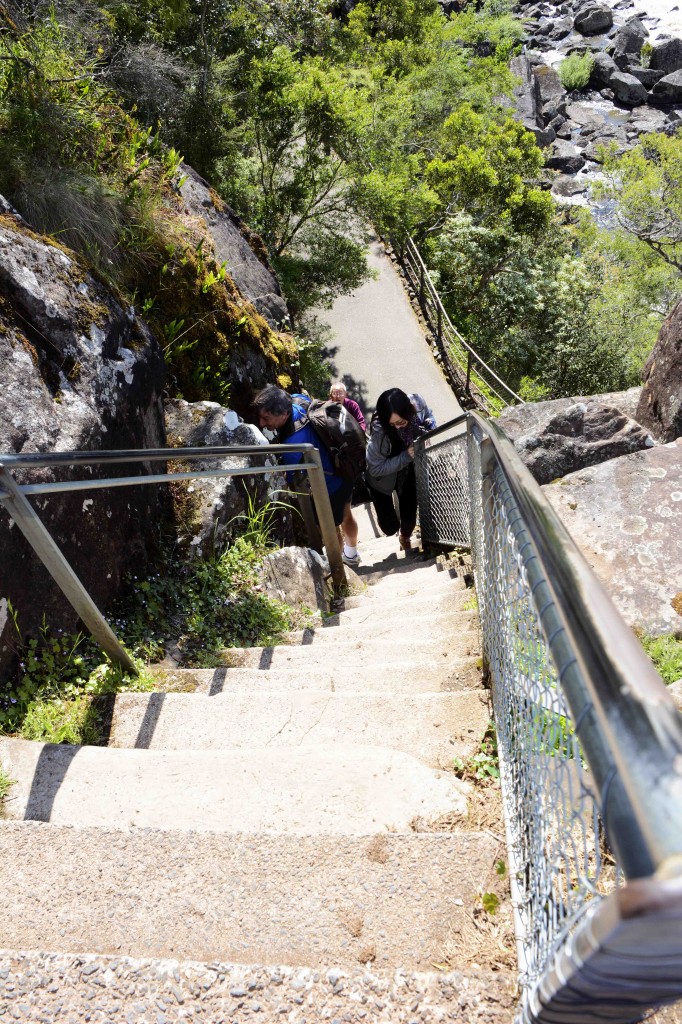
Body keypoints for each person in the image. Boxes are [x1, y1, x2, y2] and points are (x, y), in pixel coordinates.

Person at [251, 385, 359, 560]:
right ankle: (352, 554)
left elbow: (294, 483)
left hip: (330, 485)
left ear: (284, 415)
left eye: (266, 418)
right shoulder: (297, 400)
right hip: (344, 466)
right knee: (346, 514)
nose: (262, 423)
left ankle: (339, 571)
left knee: (327, 528)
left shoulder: (293, 443)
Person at [365, 388, 436, 552]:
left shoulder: (417, 404)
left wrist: (426, 433)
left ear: (408, 412)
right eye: (392, 424)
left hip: (406, 472)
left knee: (409, 519)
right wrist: (406, 456)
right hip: (381, 479)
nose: (397, 428)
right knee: (389, 527)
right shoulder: (379, 430)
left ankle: (404, 538)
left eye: (401, 422)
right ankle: (394, 527)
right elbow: (375, 468)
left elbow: (429, 416)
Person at [328, 381, 366, 566]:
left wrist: (356, 438)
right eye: (334, 393)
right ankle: (348, 553)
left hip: (350, 456)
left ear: (345, 394)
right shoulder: (327, 408)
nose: (337, 396)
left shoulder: (351, 405)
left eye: (340, 393)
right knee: (344, 510)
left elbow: (360, 422)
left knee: (344, 509)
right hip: (338, 461)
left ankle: (348, 553)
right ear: (330, 394)